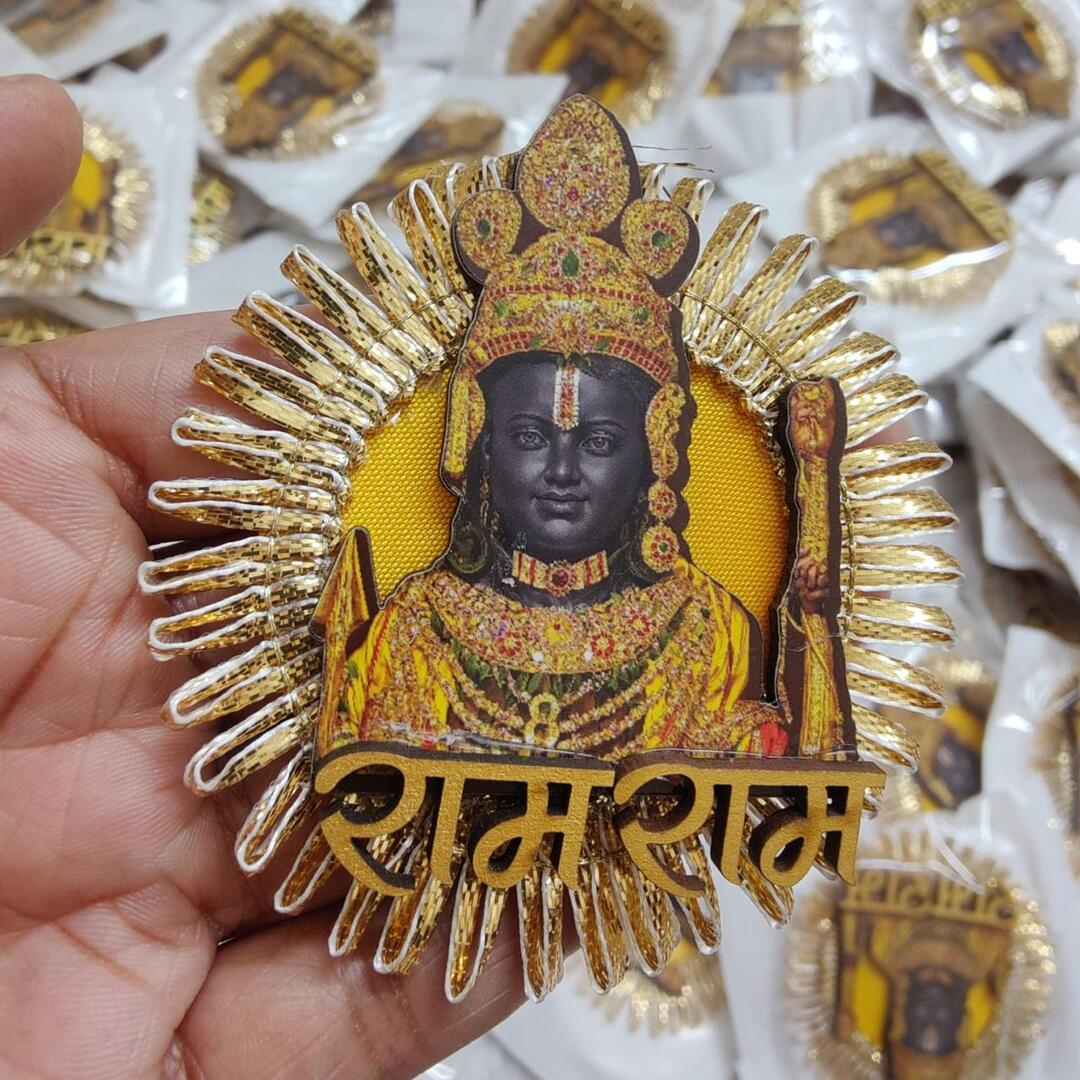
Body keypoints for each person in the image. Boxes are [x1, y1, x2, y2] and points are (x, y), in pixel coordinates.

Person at [0, 73, 523, 1079]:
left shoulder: (706, 632)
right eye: (522, 435)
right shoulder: (392, 620)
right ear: (464, 456)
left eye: (602, 439)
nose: (558, 472)